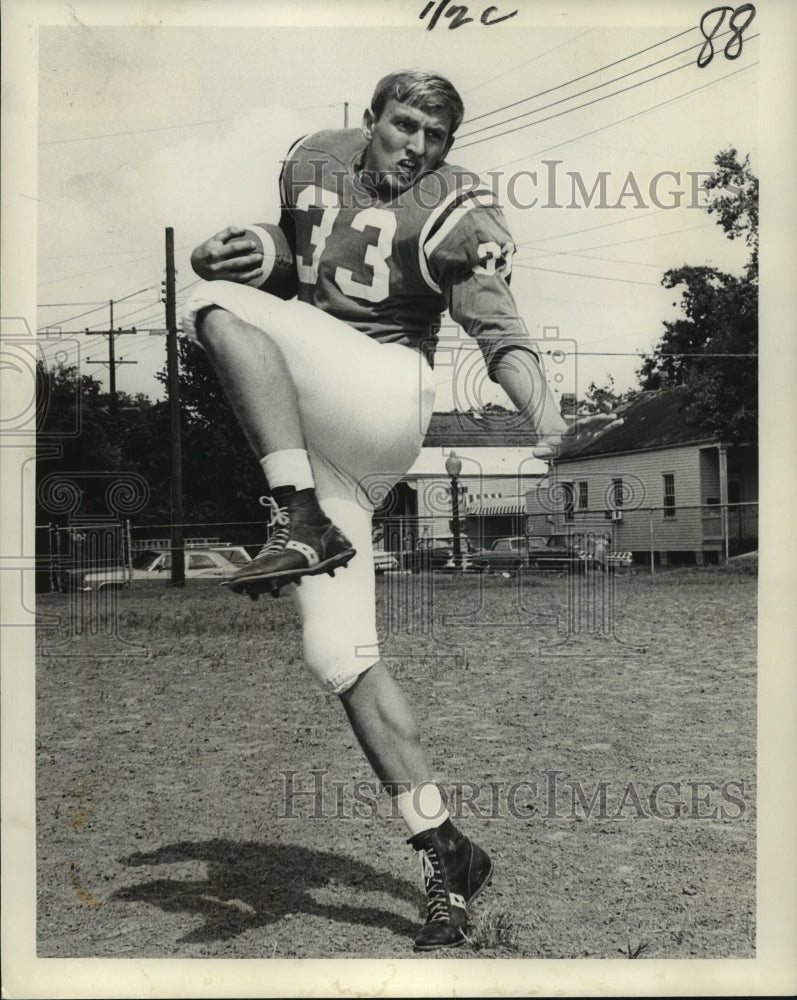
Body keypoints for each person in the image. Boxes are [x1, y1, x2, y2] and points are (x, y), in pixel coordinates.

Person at [182, 69, 586, 952]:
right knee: (340, 659)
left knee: (209, 310)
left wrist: (544, 416)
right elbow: (295, 262)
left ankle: (293, 513)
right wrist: (248, 246)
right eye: (404, 127)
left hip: (385, 395)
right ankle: (447, 852)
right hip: (325, 434)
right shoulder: (314, 160)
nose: (418, 148)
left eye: (435, 137)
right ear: (369, 121)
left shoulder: (457, 208)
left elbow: (496, 325)